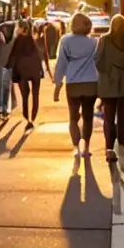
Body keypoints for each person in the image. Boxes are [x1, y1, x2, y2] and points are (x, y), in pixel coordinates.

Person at [53, 13, 99, 158]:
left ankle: (76, 147)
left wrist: (58, 85)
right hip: (91, 82)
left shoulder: (65, 41)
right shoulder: (94, 43)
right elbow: (98, 63)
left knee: (73, 117)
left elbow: (61, 64)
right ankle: (87, 147)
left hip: (73, 83)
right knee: (88, 116)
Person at [96, 14, 124, 164]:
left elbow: (97, 59)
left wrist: (107, 72)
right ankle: (121, 147)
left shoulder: (104, 40)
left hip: (108, 84)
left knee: (108, 117)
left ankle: (109, 149)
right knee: (122, 118)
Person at [7, 19, 43, 130]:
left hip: (22, 71)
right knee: (35, 94)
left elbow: (13, 56)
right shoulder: (32, 39)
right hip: (35, 70)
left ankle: (27, 118)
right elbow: (38, 55)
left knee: (25, 95)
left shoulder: (18, 40)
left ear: (22, 28)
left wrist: (8, 67)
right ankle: (33, 116)